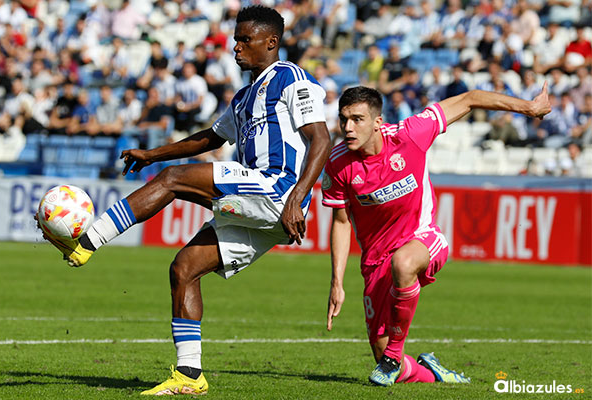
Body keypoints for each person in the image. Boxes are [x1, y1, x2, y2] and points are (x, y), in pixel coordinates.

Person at [38, 5, 331, 396]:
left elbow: (322, 140)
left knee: (175, 180)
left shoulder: (290, 78)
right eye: (236, 38)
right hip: (262, 207)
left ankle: (86, 244)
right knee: (184, 269)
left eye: (246, 39)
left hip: (276, 189)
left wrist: (297, 198)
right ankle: (190, 376)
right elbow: (210, 138)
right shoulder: (244, 97)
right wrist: (152, 154)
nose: (236, 47)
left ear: (271, 42)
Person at [322, 84, 550, 387]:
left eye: (357, 119)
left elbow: (471, 99)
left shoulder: (410, 134)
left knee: (403, 265)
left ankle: (394, 353)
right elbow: (340, 222)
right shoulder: (338, 163)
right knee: (378, 352)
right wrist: (337, 282)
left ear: (378, 122)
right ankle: (430, 373)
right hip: (376, 258)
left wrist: (529, 108)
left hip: (423, 237)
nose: (348, 128)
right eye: (344, 119)